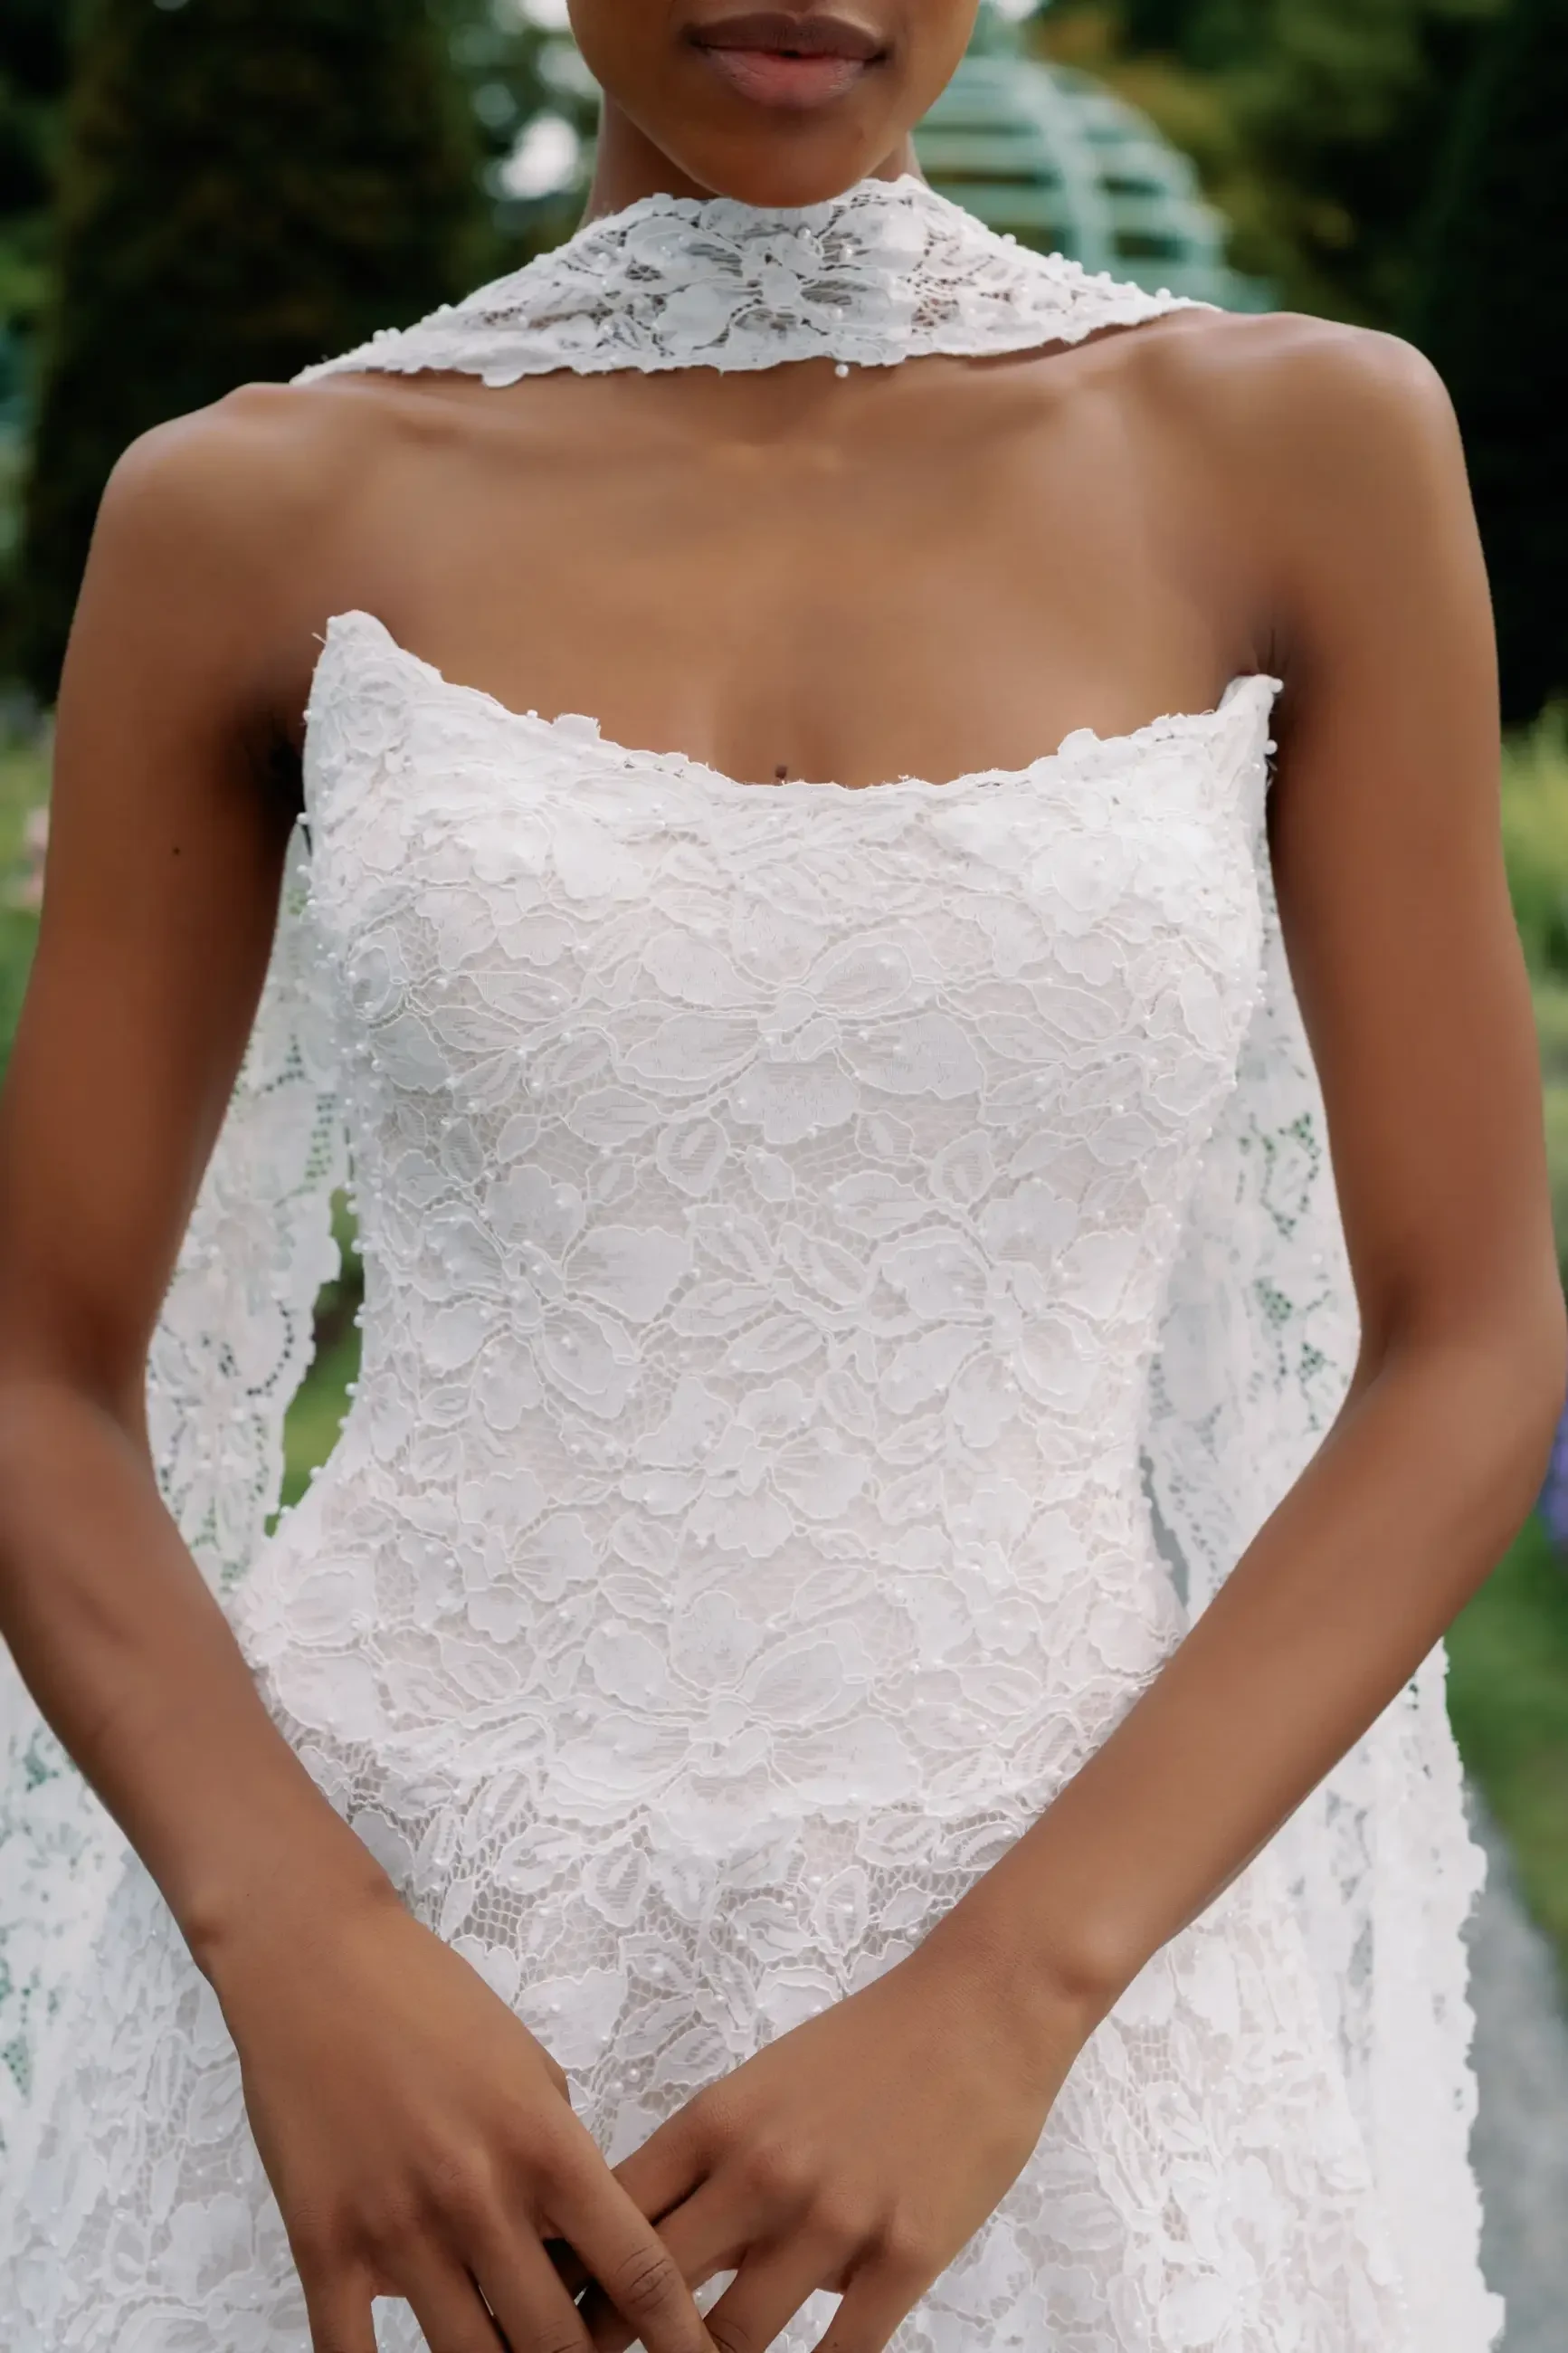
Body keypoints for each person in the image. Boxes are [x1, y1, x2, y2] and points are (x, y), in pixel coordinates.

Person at [0, 3, 1559, 2348]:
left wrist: (1010, 2002)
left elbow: (1466, 1347)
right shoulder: (249, 508)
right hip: (391, 1996)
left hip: (1063, 1999)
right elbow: (34, 1365)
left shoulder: (1295, 446)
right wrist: (294, 1946)